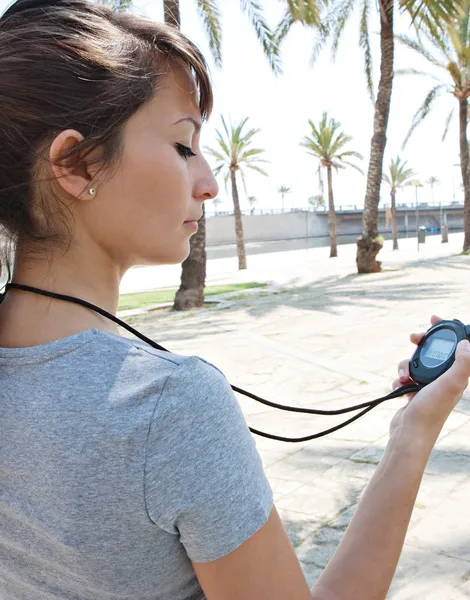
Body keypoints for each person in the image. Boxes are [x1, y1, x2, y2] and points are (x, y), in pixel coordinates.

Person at [0, 1, 468, 599]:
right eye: (183, 146)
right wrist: (413, 433)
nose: (210, 181)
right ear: (77, 161)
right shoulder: (163, 405)